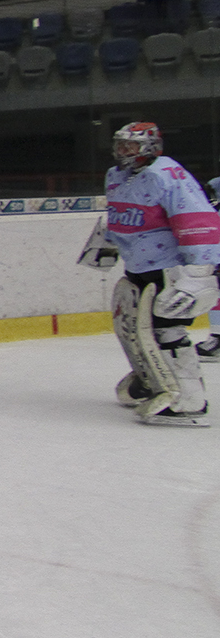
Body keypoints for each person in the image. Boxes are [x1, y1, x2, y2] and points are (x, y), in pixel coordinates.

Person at [94, 121, 220, 426]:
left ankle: (189, 401)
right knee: (134, 327)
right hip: (137, 264)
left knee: (167, 330)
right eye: (120, 145)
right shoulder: (116, 176)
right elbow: (119, 216)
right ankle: (154, 381)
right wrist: (106, 245)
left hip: (167, 266)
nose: (123, 151)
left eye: (131, 146)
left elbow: (196, 220)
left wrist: (199, 273)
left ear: (150, 147)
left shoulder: (168, 174)